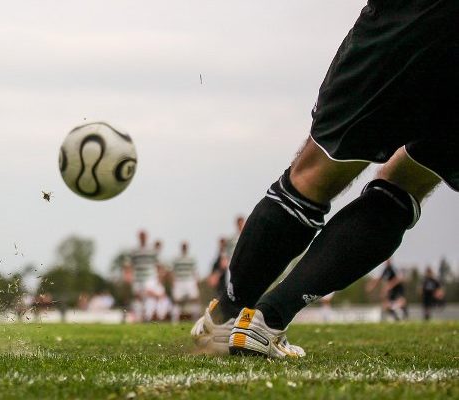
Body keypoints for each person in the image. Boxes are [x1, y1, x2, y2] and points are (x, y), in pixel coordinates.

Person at [193, 1, 457, 358]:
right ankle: (266, 321)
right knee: (408, 182)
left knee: (314, 174)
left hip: (413, 13)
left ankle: (227, 319)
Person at [128, 230, 164, 322]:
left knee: (149, 295)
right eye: (141, 236)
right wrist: (129, 276)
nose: (142, 237)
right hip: (138, 278)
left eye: (144, 236)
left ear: (147, 237)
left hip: (150, 277)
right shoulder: (134, 251)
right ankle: (139, 317)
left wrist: (159, 278)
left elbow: (158, 264)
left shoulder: (152, 250)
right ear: (139, 237)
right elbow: (131, 265)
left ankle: (148, 317)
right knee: (138, 297)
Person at [170, 241, 200, 323]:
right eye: (183, 246)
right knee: (176, 301)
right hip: (179, 281)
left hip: (190, 280)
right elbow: (173, 271)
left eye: (185, 246)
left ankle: (196, 319)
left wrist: (196, 282)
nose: (184, 247)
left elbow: (195, 271)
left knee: (195, 299)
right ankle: (174, 321)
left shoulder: (191, 259)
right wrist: (173, 282)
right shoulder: (176, 259)